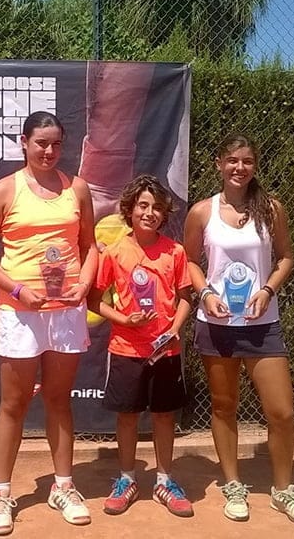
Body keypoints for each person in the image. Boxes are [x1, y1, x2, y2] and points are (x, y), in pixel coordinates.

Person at [0, 111, 99, 535]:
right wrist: (18, 290)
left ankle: (64, 486)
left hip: (65, 312)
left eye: (56, 144)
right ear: (24, 142)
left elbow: (90, 246)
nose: (48, 151)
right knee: (14, 403)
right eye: (41, 142)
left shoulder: (77, 189)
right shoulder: (5, 190)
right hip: (20, 314)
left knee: (59, 399)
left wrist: (84, 283)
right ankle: (2, 494)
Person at [182, 134, 294, 526]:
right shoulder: (201, 212)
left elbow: (287, 257)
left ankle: (283, 489)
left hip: (263, 325)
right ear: (218, 164)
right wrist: (204, 293)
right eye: (232, 161)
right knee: (224, 407)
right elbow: (189, 261)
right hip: (217, 326)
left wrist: (268, 289)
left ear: (255, 166)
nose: (240, 168)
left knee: (282, 411)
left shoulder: (271, 209)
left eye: (248, 162)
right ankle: (233, 484)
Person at [87, 174, 195, 518]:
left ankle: (164, 480)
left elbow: (184, 298)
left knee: (164, 416)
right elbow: (93, 301)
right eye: (143, 206)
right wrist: (122, 319)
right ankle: (127, 478)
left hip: (166, 351)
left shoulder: (175, 252)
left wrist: (173, 329)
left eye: (157, 208)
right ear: (130, 210)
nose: (150, 213)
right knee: (128, 416)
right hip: (126, 349)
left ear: (164, 214)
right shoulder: (116, 252)